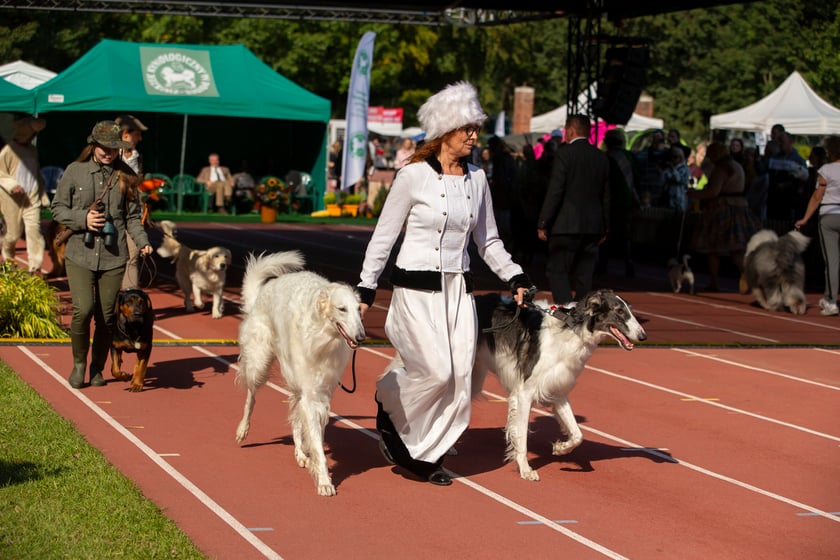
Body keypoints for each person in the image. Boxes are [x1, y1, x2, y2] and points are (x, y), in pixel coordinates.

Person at [356, 82, 534, 486]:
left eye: (475, 128)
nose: (474, 135)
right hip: (414, 294)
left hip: (457, 293)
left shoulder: (477, 179)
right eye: (465, 128)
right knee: (435, 373)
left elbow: (487, 240)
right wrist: (366, 287)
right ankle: (389, 398)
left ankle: (425, 455)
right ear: (444, 131)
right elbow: (383, 236)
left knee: (458, 380)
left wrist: (516, 276)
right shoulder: (412, 176)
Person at [50, 121, 153, 389]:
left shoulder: (126, 175)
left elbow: (132, 217)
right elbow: (57, 208)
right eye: (104, 147)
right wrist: (82, 218)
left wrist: (142, 241)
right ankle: (80, 364)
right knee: (82, 310)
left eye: (113, 147)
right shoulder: (76, 171)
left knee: (106, 317)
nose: (108, 152)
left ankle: (98, 368)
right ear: (93, 145)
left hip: (113, 256)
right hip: (79, 254)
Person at [537, 114, 610, 304]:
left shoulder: (564, 154)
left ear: (570, 130)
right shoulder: (601, 157)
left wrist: (544, 221)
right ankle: (582, 312)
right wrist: (606, 225)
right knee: (584, 275)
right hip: (593, 225)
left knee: (557, 271)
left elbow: (555, 190)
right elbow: (606, 195)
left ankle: (568, 310)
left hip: (566, 224)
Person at [688, 141, 760, 292]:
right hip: (740, 208)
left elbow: (713, 191)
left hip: (723, 209)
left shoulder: (721, 169)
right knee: (737, 248)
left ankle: (717, 282)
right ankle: (750, 279)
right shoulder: (737, 166)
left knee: (715, 248)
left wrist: (695, 194)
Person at [795, 136, 840, 316]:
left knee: (832, 261)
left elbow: (817, 196)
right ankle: (828, 296)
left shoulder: (826, 170)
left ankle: (831, 300)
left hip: (829, 215)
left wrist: (805, 218)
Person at [0, 115, 48, 274]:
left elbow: (36, 174)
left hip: (31, 198)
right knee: (12, 235)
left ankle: (35, 267)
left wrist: (42, 195)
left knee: (34, 231)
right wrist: (12, 185)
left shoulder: (33, 150)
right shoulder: (8, 150)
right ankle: (8, 261)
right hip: (11, 199)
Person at [115, 114, 148, 289]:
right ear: (125, 135)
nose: (140, 138)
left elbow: (138, 186)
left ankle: (129, 296)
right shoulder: (109, 155)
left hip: (133, 214)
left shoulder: (138, 157)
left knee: (132, 255)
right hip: (110, 215)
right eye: (137, 134)